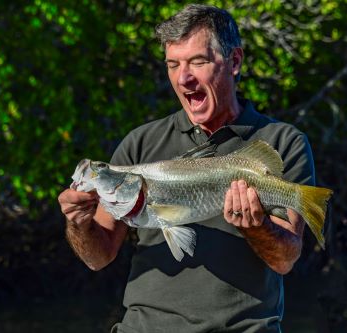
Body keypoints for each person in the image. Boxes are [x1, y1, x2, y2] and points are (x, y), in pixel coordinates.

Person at [58, 4, 316, 332]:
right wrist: (79, 224)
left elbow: (284, 259)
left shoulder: (282, 141)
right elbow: (97, 258)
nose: (184, 77)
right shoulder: (140, 144)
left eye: (198, 61)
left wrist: (255, 225)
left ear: (234, 62)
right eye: (173, 64)